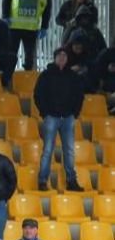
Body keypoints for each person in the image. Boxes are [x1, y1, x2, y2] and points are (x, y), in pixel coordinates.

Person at [34, 47, 85, 191]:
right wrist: (45, 113)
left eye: (65, 55)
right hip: (51, 117)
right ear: (55, 58)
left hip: (68, 118)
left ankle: (71, 181)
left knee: (69, 150)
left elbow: (80, 96)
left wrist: (75, 113)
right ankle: (42, 181)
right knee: (48, 150)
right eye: (60, 55)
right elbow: (38, 95)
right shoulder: (46, 75)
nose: (62, 58)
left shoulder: (73, 76)